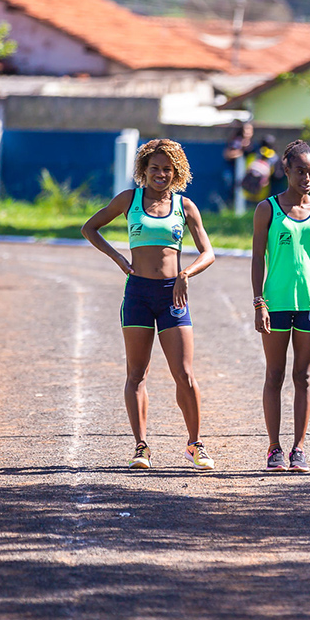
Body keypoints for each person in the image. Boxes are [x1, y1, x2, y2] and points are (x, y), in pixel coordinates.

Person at [81, 139, 217, 471]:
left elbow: (208, 252)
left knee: (184, 374)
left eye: (167, 169)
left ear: (177, 172)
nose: (160, 174)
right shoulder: (130, 200)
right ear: (144, 169)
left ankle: (195, 444)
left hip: (173, 295)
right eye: (154, 168)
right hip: (138, 294)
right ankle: (141, 447)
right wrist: (117, 258)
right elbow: (90, 228)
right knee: (136, 374)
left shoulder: (185, 207)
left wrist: (186, 273)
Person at [251, 140, 310, 472]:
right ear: (285, 170)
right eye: (300, 171)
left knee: (304, 376)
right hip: (277, 302)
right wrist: (259, 302)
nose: (306, 178)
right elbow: (258, 257)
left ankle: (298, 448)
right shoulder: (267, 209)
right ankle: (274, 448)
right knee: (275, 374)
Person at [241, 134, 282, 205]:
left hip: (249, 191)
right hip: (264, 192)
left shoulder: (253, 154)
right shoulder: (274, 158)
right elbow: (278, 175)